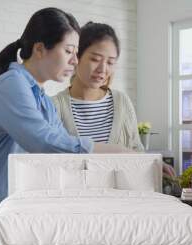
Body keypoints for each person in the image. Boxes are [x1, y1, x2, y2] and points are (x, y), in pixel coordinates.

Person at [0, 8, 131, 201]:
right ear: (39, 49)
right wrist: (119, 152)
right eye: (68, 51)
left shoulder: (43, 101)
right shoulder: (11, 84)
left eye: (76, 53)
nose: (74, 61)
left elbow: (63, 151)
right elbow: (43, 142)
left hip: (10, 207)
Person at [51, 22, 144, 151]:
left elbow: (137, 150)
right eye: (95, 59)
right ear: (77, 57)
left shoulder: (122, 102)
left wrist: (155, 163)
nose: (103, 69)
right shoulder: (54, 106)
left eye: (110, 62)